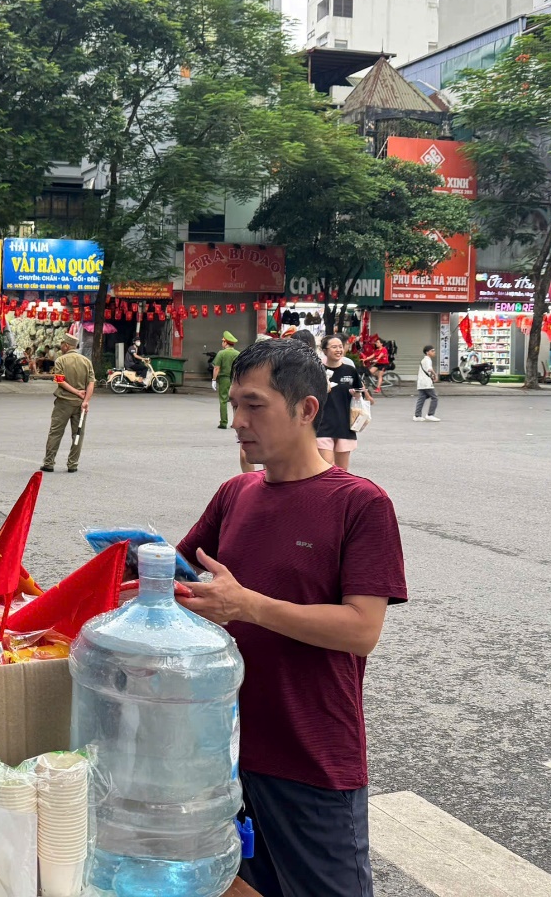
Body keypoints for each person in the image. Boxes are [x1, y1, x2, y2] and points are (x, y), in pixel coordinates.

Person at [174, 337, 406, 897]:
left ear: (306, 409)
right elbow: (181, 581)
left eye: (255, 405)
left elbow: (361, 630)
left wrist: (247, 606)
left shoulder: (360, 504)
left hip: (310, 754)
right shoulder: (235, 494)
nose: (238, 421)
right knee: (225, 884)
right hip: (223, 751)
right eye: (234, 405)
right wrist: (135, 565)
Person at [42, 333, 95, 474]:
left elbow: (60, 380)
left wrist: (76, 392)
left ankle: (49, 463)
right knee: (77, 434)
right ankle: (73, 464)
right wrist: (86, 401)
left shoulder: (61, 360)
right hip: (80, 404)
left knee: (55, 433)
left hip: (63, 403)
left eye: (62, 344)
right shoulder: (86, 361)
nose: (61, 346)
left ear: (66, 345)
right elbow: (91, 383)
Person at [317, 334, 368, 471]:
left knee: (342, 470)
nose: (338, 350)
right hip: (322, 425)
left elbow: (360, 392)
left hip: (344, 425)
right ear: (325, 350)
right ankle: (324, 493)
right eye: (334, 347)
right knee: (326, 469)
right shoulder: (317, 371)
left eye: (340, 346)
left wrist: (357, 394)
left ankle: (339, 493)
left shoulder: (349, 370)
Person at [211, 331, 240, 430]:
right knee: (236, 401)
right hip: (235, 380)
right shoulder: (238, 353)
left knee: (223, 400)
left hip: (224, 379)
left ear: (225, 343)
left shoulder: (221, 353)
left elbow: (216, 368)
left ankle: (223, 422)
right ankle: (236, 422)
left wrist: (214, 379)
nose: (222, 343)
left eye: (223, 342)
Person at [413, 344, 440, 422]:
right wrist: (435, 375)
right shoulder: (427, 359)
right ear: (427, 352)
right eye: (432, 351)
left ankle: (417, 415)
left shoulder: (424, 360)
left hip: (421, 382)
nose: (434, 352)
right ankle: (430, 414)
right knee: (434, 398)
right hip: (426, 383)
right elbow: (429, 369)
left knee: (421, 398)